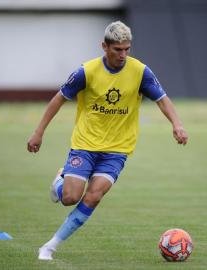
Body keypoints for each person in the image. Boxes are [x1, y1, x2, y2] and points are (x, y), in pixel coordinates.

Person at [27, 20, 188, 260]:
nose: (123, 54)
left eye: (127, 49)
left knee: (94, 196)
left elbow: (162, 100)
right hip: (85, 144)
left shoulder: (140, 72)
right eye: (117, 49)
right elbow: (59, 98)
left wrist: (177, 124)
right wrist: (38, 132)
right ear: (104, 46)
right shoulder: (87, 71)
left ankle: (49, 247)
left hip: (117, 150)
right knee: (70, 197)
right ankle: (59, 181)